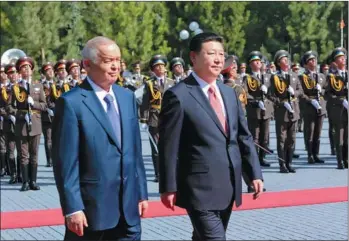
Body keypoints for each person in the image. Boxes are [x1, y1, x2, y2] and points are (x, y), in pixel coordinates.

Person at [158, 32, 263, 240]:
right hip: (198, 187)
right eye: (211, 53)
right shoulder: (178, 95)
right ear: (194, 57)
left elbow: (243, 136)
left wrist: (254, 173)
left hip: (228, 185)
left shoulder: (228, 93)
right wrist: (168, 186)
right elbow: (168, 146)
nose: (218, 59)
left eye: (221, 54)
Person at [52, 36, 148, 241]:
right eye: (107, 61)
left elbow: (134, 151)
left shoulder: (126, 97)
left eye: (118, 60)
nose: (115, 66)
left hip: (128, 209)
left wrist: (141, 192)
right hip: (92, 211)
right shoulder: (71, 103)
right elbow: (66, 164)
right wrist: (72, 208)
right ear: (87, 64)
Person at [11, 56, 47, 191]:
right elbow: (10, 107)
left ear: (31, 70)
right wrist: (20, 114)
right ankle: (25, 182)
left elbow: (44, 105)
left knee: (34, 154)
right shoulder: (16, 88)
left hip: (36, 124)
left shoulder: (38, 86)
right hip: (22, 124)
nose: (26, 70)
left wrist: (34, 104)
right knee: (23, 155)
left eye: (28, 67)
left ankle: (33, 181)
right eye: (23, 68)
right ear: (20, 71)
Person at [139, 54, 175, 183]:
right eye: (157, 67)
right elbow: (145, 102)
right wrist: (143, 119)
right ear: (153, 70)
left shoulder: (172, 83)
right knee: (156, 148)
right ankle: (158, 174)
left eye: (161, 66)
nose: (160, 68)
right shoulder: (149, 84)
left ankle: (169, 173)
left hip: (169, 118)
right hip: (154, 117)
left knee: (170, 146)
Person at [269, 50, 303, 173]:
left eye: (287, 59)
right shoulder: (275, 77)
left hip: (294, 110)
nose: (287, 61)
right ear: (279, 62)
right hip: (282, 111)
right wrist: (281, 102)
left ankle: (289, 163)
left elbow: (300, 91)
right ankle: (282, 164)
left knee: (292, 139)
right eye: (284, 59)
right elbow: (271, 95)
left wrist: (294, 93)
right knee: (282, 139)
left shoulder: (294, 76)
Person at [243, 51, 273, 168]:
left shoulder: (267, 77)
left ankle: (262, 158)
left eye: (259, 61)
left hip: (266, 110)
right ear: (251, 64)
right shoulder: (248, 78)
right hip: (254, 111)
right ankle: (254, 159)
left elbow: (273, 93)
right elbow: (245, 93)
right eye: (255, 61)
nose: (258, 62)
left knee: (264, 137)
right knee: (254, 136)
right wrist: (255, 101)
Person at [299, 51, 326, 164]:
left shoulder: (321, 76)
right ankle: (310, 154)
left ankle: (316, 154)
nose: (313, 61)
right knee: (309, 132)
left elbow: (328, 90)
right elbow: (301, 93)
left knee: (318, 133)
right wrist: (311, 101)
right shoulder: (302, 77)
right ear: (305, 64)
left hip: (320, 107)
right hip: (309, 107)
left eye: (314, 59)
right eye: (310, 60)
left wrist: (322, 90)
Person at [325, 47, 348, 169]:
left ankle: (347, 159)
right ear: (335, 61)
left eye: (344, 57)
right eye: (340, 57)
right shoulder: (331, 76)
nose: (343, 59)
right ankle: (340, 161)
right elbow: (327, 94)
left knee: (347, 137)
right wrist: (340, 100)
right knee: (339, 135)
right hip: (338, 109)